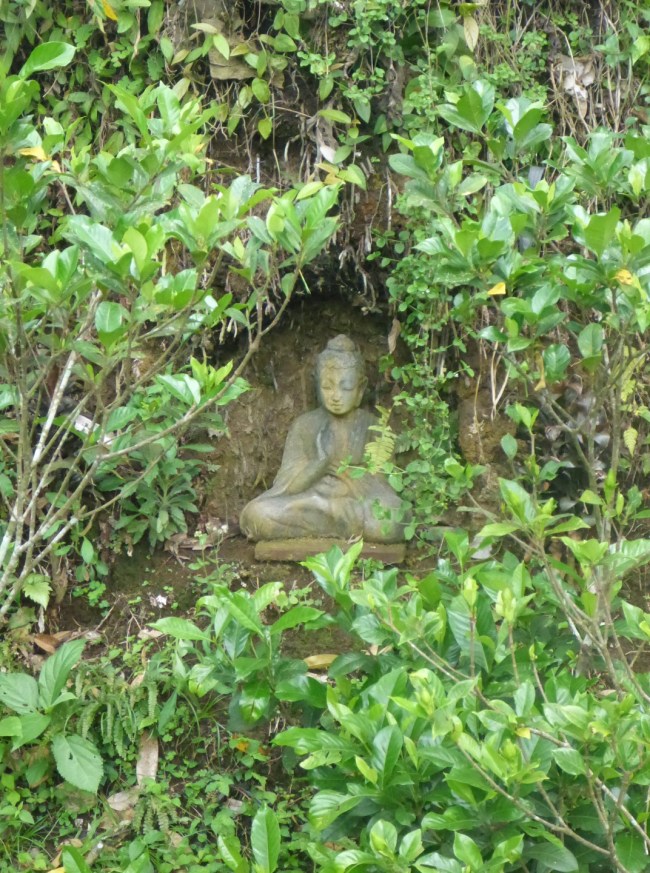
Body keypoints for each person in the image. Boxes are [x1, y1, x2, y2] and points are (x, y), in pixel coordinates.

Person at [240, 335, 405, 543]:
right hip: (312, 503)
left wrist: (347, 481)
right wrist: (319, 465)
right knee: (256, 515)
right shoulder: (304, 425)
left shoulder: (374, 428)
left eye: (345, 388)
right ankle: (340, 526)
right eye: (327, 387)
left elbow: (385, 487)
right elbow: (287, 487)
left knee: (390, 522)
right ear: (317, 385)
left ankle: (337, 523)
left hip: (355, 506)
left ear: (360, 389)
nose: (335, 396)